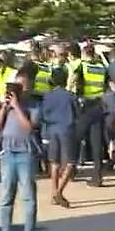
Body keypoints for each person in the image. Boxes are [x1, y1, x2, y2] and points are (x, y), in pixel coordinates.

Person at [0, 72, 41, 231]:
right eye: (16, 86)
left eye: (22, 86)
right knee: (6, 195)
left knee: (27, 194)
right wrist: (4, 108)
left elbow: (29, 128)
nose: (19, 90)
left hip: (25, 152)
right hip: (7, 151)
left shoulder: (33, 105)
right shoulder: (7, 106)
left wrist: (17, 107)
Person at [41, 68, 78, 208]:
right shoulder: (70, 96)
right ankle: (59, 192)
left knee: (54, 162)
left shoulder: (47, 96)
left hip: (52, 129)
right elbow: (77, 113)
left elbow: (43, 114)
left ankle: (53, 193)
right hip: (67, 129)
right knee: (70, 162)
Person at [74, 44, 108, 187]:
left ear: (83, 53)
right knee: (96, 143)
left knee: (76, 138)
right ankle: (97, 176)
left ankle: (70, 169)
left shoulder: (82, 66)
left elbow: (74, 81)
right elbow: (107, 85)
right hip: (99, 105)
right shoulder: (101, 67)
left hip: (85, 105)